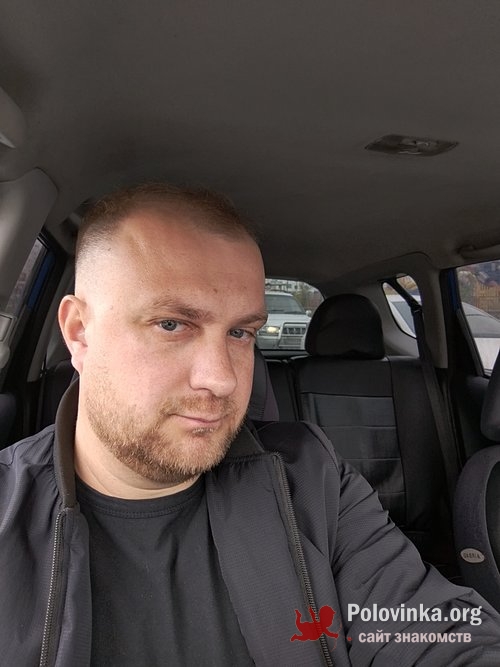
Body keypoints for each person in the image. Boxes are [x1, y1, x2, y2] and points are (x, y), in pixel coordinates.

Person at [1, 183, 500, 667]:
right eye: (172, 324)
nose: (222, 378)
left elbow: (426, 627)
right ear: (79, 333)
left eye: (240, 332)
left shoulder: (309, 476)